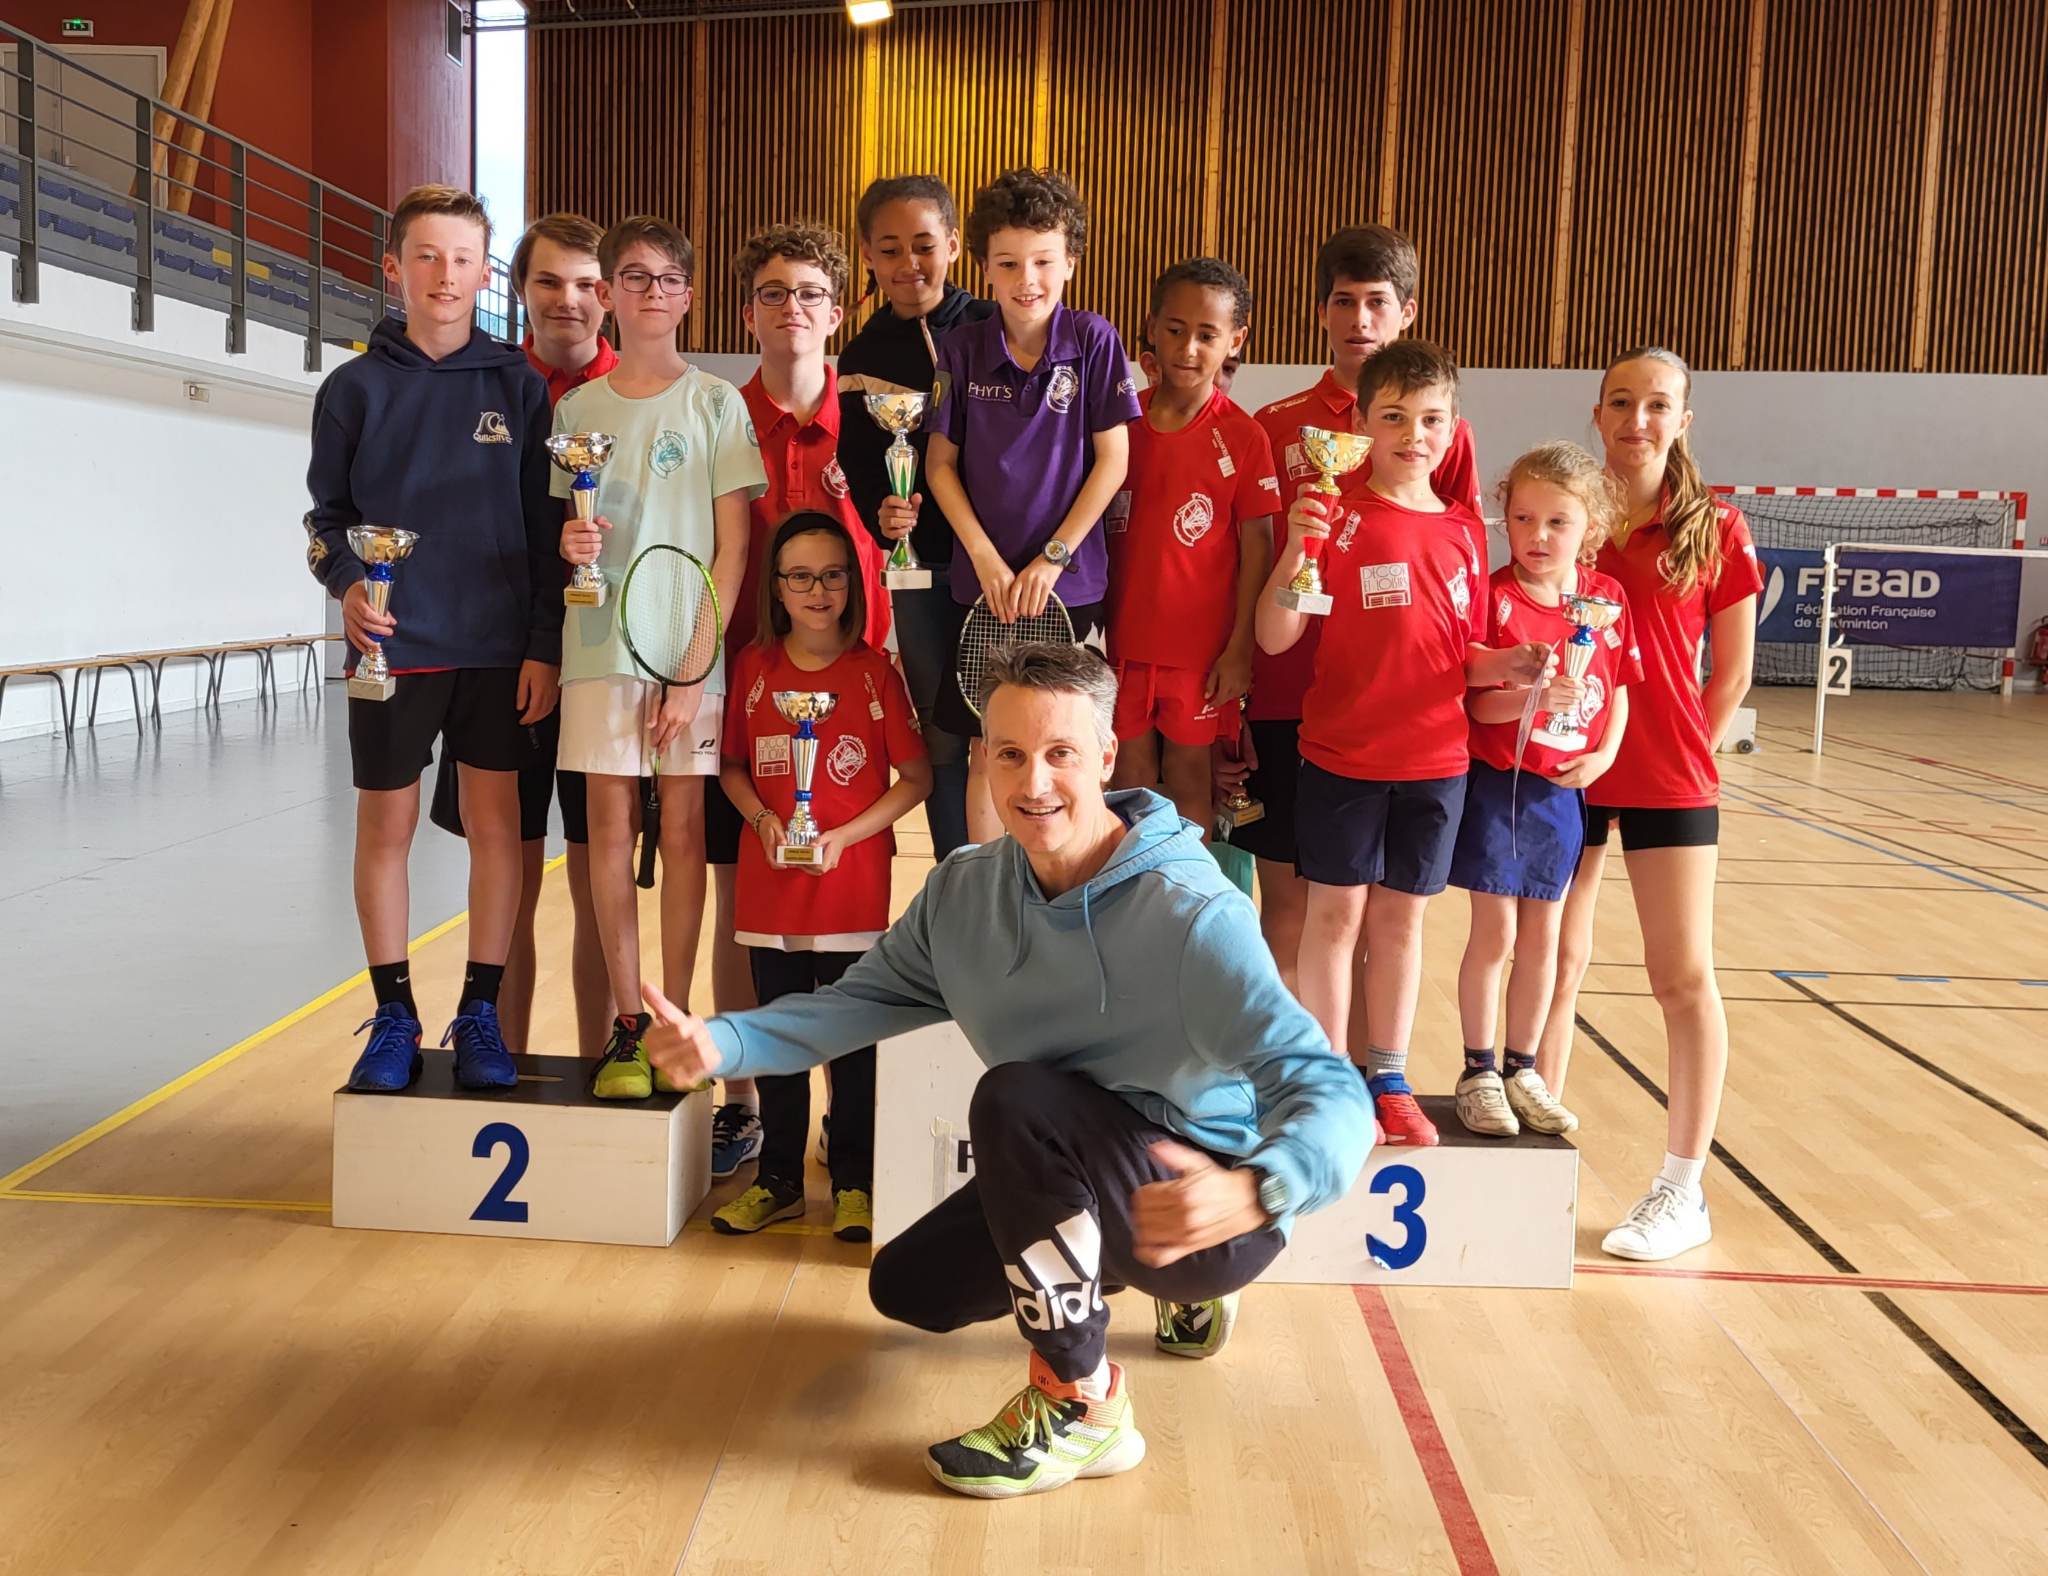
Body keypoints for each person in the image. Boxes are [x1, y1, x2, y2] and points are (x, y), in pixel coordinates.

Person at [640, 643, 1371, 1499]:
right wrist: (722, 1044)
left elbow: (1331, 1089)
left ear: (1106, 756)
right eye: (1012, 754)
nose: (1035, 783)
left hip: (1205, 1205)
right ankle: (1125, 1282)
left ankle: (1084, 1404)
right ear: (981, 760)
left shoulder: (1191, 914)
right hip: (1092, 1178)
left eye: (1062, 753)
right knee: (908, 1288)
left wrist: (1258, 1190)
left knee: (1017, 1097)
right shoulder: (963, 895)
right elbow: (851, 1005)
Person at [1255, 340, 1547, 1147]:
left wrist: (1515, 664)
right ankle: (1328, 1079)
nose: (1413, 435)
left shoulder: (1461, 529)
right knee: (1335, 919)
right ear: (1360, 423)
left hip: (1438, 764)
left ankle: (1387, 1074)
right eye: (1394, 418)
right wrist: (1296, 547)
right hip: (1342, 755)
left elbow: (1465, 657)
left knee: (1403, 926)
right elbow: (1275, 638)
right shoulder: (1333, 512)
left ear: (1454, 429)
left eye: (1430, 420)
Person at [305, 184, 560, 1094]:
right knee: (388, 828)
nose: (445, 275)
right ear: (393, 268)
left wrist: (543, 645)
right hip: (393, 651)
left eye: (461, 258)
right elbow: (326, 520)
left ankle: (479, 1010)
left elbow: (543, 532)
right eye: (426, 256)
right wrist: (344, 585)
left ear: (485, 273)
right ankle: (395, 1014)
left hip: (497, 654)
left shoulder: (519, 386)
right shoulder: (353, 389)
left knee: (498, 832)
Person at [1537, 347, 1761, 1261]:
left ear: (1683, 421)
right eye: (1621, 403)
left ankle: (1681, 1188)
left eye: (1657, 405)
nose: (1638, 419)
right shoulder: (1576, 524)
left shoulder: (1720, 529)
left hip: (1668, 777)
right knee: (1555, 963)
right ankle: (1535, 1157)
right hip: (1571, 771)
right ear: (1598, 415)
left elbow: (1734, 670)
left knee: (1681, 978)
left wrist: (1678, 754)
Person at [1228, 225, 1483, 1000]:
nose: (1361, 321)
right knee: (1296, 910)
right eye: (1346, 303)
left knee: (1387, 921)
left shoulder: (1449, 434)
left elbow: (1456, 565)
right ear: (1322, 312)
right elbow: (1248, 565)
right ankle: (1293, 1074)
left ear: (1406, 313)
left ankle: (1377, 1077)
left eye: (1378, 303)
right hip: (1286, 697)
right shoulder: (1275, 425)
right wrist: (1238, 679)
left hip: (1400, 722)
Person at [554, 215, 764, 1101]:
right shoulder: (574, 412)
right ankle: (628, 1030)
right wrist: (573, 543)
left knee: (682, 835)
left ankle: (676, 1019)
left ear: (688, 295)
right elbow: (569, 534)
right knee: (609, 836)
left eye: (667, 279)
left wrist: (691, 665)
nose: (650, 293)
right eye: (632, 277)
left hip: (690, 652)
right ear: (606, 294)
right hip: (597, 650)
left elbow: (733, 552)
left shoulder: (717, 402)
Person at [705, 221, 891, 1176]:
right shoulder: (715, 416)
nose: (793, 310)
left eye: (811, 293)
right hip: (741, 698)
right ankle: (744, 1104)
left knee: (847, 927)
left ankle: (849, 1128)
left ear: (837, 311)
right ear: (748, 313)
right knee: (745, 905)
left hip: (851, 701)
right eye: (774, 293)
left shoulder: (878, 423)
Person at [427, 212, 618, 1060]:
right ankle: (490, 1051)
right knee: (504, 871)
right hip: (502, 669)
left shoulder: (637, 395)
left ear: (607, 296)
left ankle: (600, 1061)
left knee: (597, 880)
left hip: (607, 671)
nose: (567, 300)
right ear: (518, 289)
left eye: (585, 283)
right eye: (549, 281)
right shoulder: (485, 386)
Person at [710, 513, 931, 1241]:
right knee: (778, 1037)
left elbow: (917, 776)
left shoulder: (874, 672)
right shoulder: (752, 668)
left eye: (833, 574)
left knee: (854, 1041)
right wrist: (765, 822)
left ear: (853, 584)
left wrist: (843, 836)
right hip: (771, 888)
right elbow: (735, 766)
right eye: (800, 575)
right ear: (776, 587)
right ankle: (777, 1180)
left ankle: (856, 1181)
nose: (817, 590)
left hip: (852, 890)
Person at [925, 168, 1142, 843]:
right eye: (1010, 262)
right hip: (983, 589)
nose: (1028, 279)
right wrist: (985, 557)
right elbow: (937, 467)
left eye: (1045, 262)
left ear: (1071, 263)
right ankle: (989, 904)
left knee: (1065, 738)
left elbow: (1114, 460)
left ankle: (1064, 890)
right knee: (990, 746)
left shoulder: (1095, 341)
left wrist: (1054, 556)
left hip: (1067, 585)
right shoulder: (958, 350)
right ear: (984, 266)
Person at [1449, 442, 1639, 1137]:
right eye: (1523, 519)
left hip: (1565, 794)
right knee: (1495, 932)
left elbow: (1616, 690)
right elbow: (1475, 708)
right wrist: (1527, 695)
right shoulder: (1494, 600)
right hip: (1500, 786)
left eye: (1557, 522)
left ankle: (1524, 1067)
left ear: (1590, 527)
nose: (1537, 536)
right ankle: (1478, 1070)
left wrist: (1605, 756)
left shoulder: (1606, 600)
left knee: (1545, 937)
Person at [836, 174, 997, 862]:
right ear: (868, 255)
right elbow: (865, 464)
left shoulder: (993, 329)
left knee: (1005, 727)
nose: (910, 265)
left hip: (1001, 564)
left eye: (925, 246)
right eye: (891, 249)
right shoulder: (863, 355)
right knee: (942, 730)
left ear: (955, 246)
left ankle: (1016, 882)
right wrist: (885, 515)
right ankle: (957, 878)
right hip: (924, 570)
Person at [1105, 258, 1278, 835]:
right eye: (1175, 330)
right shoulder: (1118, 428)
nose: (1188, 348)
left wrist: (1240, 650)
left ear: (1235, 340)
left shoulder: (1244, 436)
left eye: (1207, 335)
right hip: (1123, 645)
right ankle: (1126, 907)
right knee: (1125, 777)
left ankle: (1181, 911)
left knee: (1187, 780)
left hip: (1202, 657)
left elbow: (1259, 548)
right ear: (1151, 327)